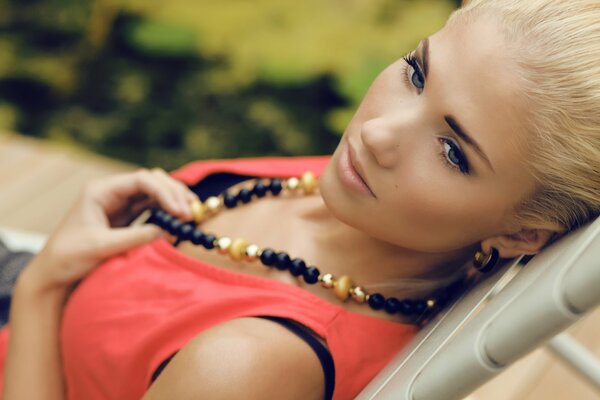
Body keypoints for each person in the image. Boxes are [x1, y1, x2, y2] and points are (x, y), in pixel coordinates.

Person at [1, 0, 599, 398]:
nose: (377, 132)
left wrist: (43, 285)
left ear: (523, 234)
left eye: (452, 152)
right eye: (416, 72)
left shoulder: (248, 365)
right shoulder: (368, 198)